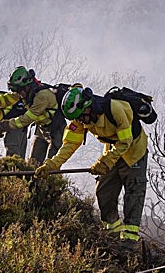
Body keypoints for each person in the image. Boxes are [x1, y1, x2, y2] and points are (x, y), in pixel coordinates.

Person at [34, 86, 148, 244]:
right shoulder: (80, 118)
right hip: (112, 150)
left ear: (88, 107)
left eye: (81, 117)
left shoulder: (115, 109)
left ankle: (129, 242)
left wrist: (106, 162)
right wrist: (52, 164)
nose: (80, 121)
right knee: (103, 192)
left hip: (134, 151)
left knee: (133, 194)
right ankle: (112, 236)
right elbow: (70, 144)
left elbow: (125, 142)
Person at [0, 66, 65, 164]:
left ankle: (50, 179)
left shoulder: (42, 96)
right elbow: (8, 99)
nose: (18, 94)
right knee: (33, 164)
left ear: (26, 86)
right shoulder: (26, 92)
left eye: (19, 91)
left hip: (56, 131)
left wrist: (5, 125)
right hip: (41, 130)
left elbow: (26, 119)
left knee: (50, 166)